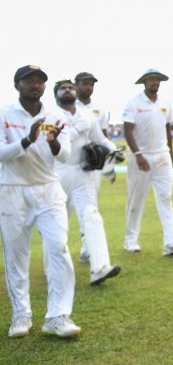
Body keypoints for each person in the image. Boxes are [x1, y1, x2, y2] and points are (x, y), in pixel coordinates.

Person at [0, 65, 81, 338]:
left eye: (39, 81)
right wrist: (27, 140)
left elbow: (65, 155)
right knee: (16, 256)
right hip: (13, 190)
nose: (35, 85)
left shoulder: (55, 116)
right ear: (17, 85)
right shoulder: (4, 113)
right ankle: (21, 315)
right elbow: (1, 153)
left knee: (58, 248)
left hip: (48, 189)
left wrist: (53, 142)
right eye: (29, 81)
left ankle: (58, 316)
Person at [53, 80, 122, 285]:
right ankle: (55, 268)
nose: (67, 90)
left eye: (70, 87)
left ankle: (100, 267)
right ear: (55, 94)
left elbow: (100, 139)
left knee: (91, 215)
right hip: (57, 173)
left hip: (83, 172)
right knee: (57, 222)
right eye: (63, 88)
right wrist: (75, 130)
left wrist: (113, 151)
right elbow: (52, 145)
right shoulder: (49, 115)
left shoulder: (87, 116)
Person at [121, 69, 173, 256]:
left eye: (157, 79)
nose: (155, 82)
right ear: (144, 82)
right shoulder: (134, 103)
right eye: (151, 79)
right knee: (136, 200)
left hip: (162, 157)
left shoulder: (165, 104)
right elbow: (127, 130)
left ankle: (171, 243)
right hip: (140, 157)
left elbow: (167, 131)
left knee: (166, 199)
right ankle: (130, 240)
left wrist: (170, 154)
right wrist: (137, 154)